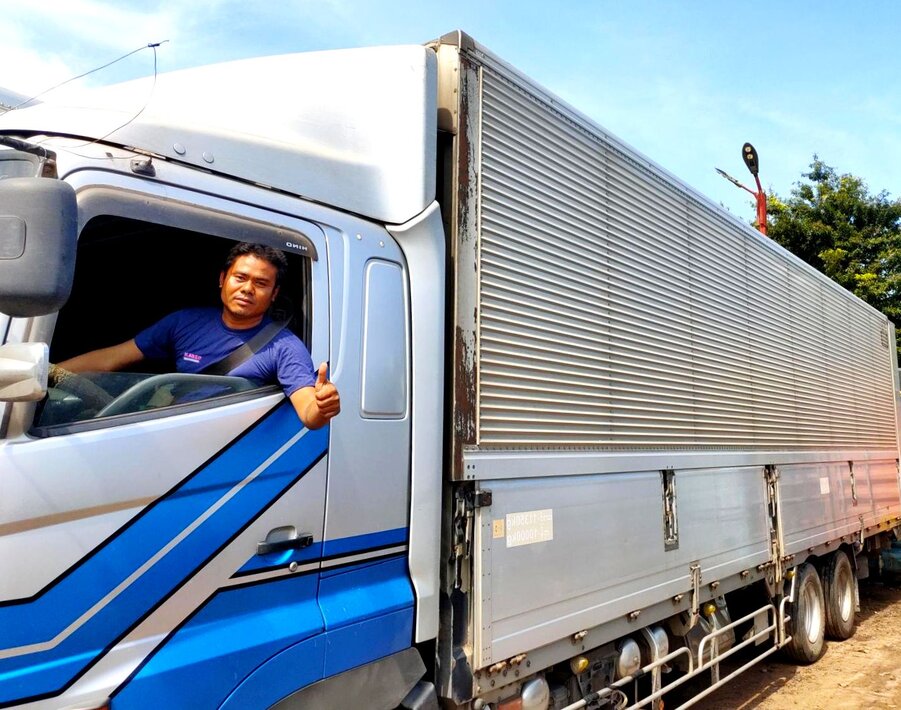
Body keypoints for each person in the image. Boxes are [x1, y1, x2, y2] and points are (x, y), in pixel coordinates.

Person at [56, 242, 340, 430]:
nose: (247, 288)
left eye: (261, 283)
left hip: (222, 448)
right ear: (222, 279)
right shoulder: (185, 322)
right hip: (166, 429)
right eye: (240, 277)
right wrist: (51, 371)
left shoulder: (284, 347)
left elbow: (308, 412)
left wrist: (322, 407)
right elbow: (112, 358)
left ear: (274, 294)